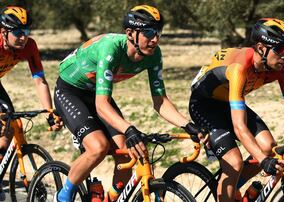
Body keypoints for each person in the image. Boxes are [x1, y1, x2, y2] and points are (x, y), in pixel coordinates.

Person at [53, 5, 202, 202]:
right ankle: (62, 196)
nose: (155, 39)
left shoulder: (154, 55)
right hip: (70, 91)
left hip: (96, 93)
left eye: (158, 32)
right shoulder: (111, 48)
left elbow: (160, 101)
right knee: (98, 147)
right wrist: (130, 129)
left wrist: (187, 124)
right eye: (149, 33)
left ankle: (111, 198)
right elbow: (101, 106)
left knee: (127, 153)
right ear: (130, 33)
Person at [189, 18, 284, 201]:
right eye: (280, 50)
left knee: (267, 147)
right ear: (261, 48)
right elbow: (240, 127)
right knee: (234, 162)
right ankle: (227, 189)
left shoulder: (283, 67)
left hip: (228, 102)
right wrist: (264, 162)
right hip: (204, 105)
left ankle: (231, 191)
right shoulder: (240, 68)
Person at [0, 5, 62, 201]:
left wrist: (49, 111)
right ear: (4, 31)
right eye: (18, 32)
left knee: (11, 124)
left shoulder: (30, 46)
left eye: (26, 32)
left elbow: (40, 81)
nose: (23, 37)